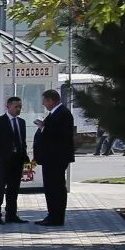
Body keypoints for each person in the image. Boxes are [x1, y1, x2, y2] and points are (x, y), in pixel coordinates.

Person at [32, 86, 77, 226]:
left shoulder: (63, 113)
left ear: (51, 100)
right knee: (51, 187)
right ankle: (52, 214)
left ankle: (56, 217)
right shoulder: (55, 113)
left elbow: (59, 135)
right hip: (50, 158)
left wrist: (43, 127)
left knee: (55, 187)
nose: (43, 104)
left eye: (44, 101)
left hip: (56, 158)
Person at [0, 95, 29, 225]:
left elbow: (22, 141)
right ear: (8, 106)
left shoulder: (21, 122)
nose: (18, 109)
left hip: (17, 160)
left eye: (20, 107)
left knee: (14, 189)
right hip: (3, 161)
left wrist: (24, 157)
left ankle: (11, 214)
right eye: (16, 107)